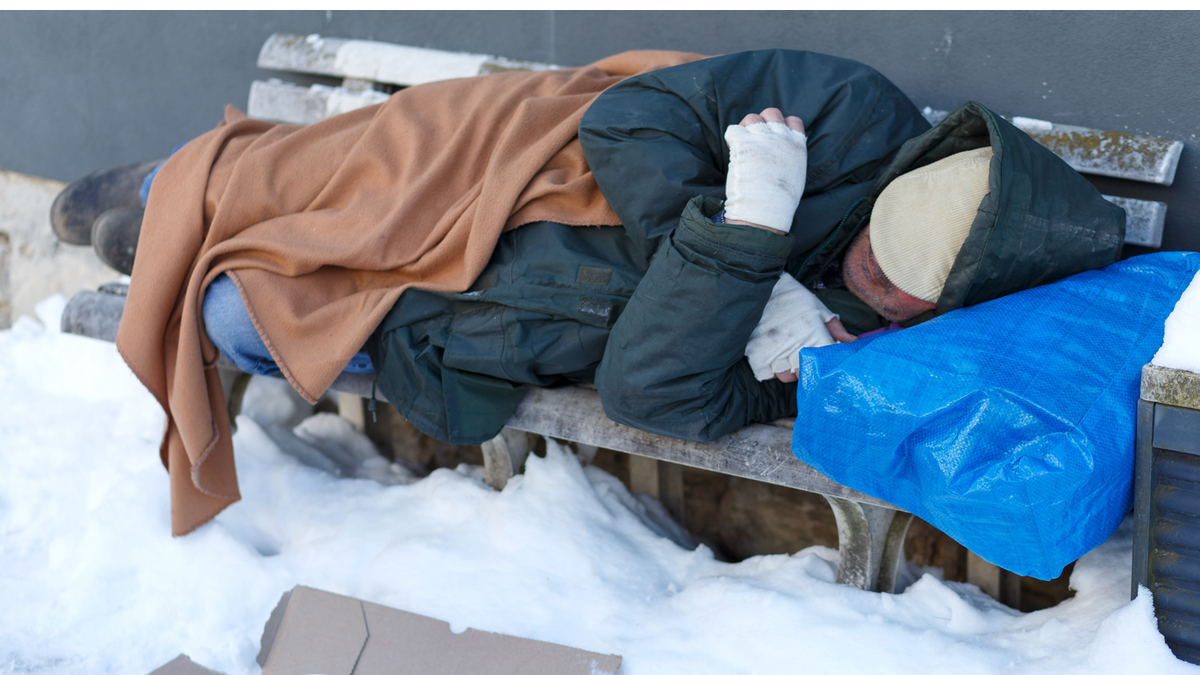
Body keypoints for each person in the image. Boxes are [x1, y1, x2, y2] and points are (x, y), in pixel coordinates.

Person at [50, 49, 1125, 535]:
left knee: (236, 317)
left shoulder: (865, 356)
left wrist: (746, 246)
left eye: (894, 288)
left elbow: (652, 387)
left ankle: (178, 234)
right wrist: (721, 221)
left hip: (488, 316)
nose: (865, 277)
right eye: (874, 245)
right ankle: (178, 185)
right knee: (297, 182)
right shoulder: (855, 114)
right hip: (519, 169)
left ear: (937, 316)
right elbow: (628, 120)